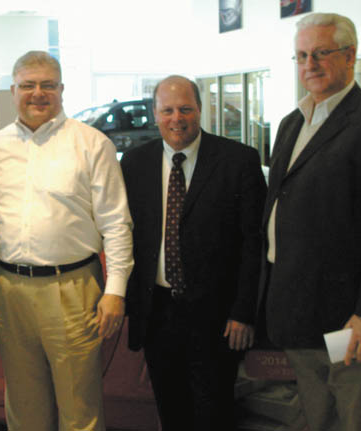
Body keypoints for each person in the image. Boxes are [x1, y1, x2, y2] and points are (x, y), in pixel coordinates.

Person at [259, 13, 361, 431]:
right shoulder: (292, 124)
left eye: (320, 53)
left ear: (350, 56)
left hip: (357, 326)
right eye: (301, 56)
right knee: (321, 423)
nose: (309, 64)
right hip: (303, 320)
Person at [0, 50, 134, 431]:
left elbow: (116, 223)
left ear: (62, 89)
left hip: (73, 290)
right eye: (28, 85)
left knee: (79, 409)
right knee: (23, 407)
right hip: (9, 291)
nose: (38, 93)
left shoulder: (92, 144)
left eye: (47, 85)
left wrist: (115, 290)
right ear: (13, 90)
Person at [120, 76, 266, 431]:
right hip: (158, 313)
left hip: (217, 318)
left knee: (213, 413)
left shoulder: (238, 161)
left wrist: (243, 312)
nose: (177, 118)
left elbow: (255, 243)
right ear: (154, 114)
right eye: (167, 110)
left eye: (185, 109)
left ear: (200, 110)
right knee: (171, 411)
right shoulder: (135, 164)